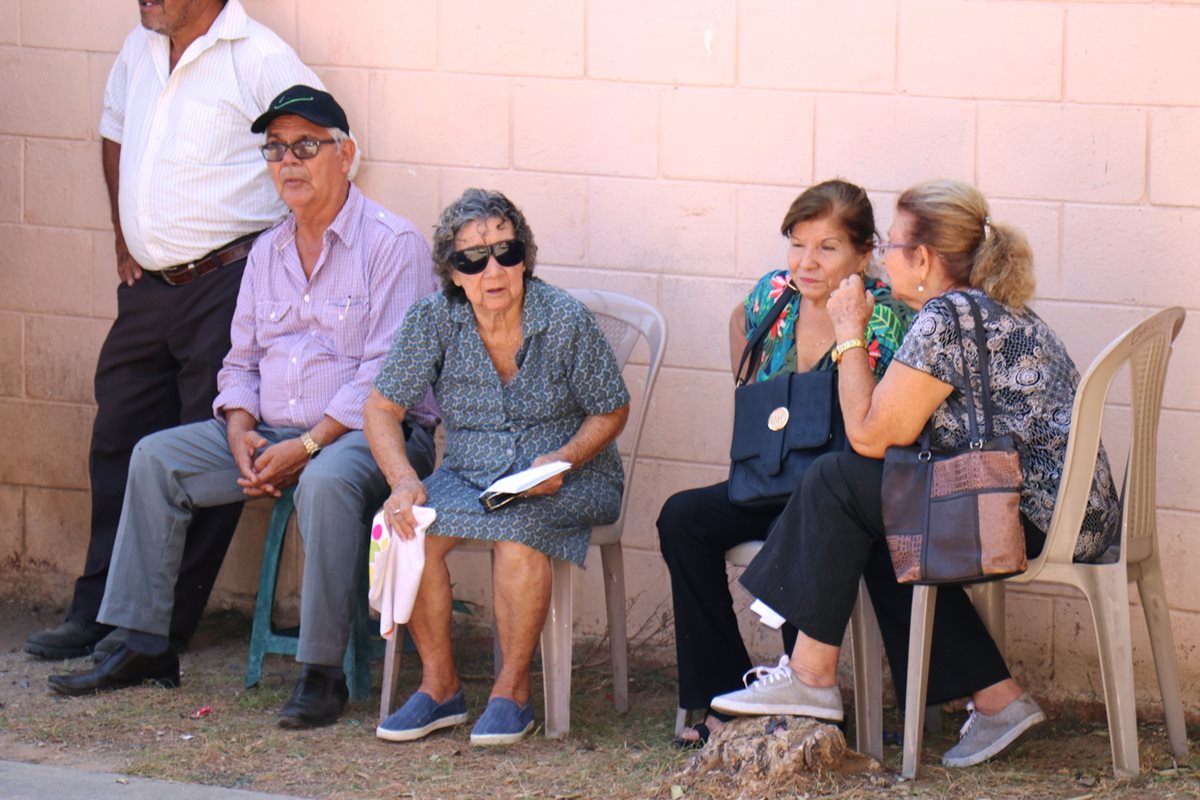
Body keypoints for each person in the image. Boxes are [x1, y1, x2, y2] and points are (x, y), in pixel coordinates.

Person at [47, 86, 440, 732]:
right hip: (275, 432)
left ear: (346, 155)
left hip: (376, 436)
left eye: (305, 146)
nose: (289, 161)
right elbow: (240, 362)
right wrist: (238, 429)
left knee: (325, 481)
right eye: (276, 149)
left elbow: (383, 376)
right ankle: (143, 642)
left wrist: (306, 445)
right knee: (156, 458)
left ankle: (322, 673)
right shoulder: (268, 250)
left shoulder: (392, 243)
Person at [711, 179, 1120, 768]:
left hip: (1024, 513)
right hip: (1065, 510)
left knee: (833, 479)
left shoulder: (946, 319)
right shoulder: (985, 303)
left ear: (924, 258)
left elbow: (870, 437)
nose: (882, 257)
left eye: (893, 246)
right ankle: (998, 699)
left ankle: (809, 675)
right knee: (881, 525)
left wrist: (850, 330)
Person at [26, 0, 326, 661]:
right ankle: (98, 610)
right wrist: (123, 238)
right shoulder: (139, 47)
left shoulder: (258, 57)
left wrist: (278, 263)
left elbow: (331, 155)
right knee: (117, 443)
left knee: (207, 449)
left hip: (228, 284)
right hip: (150, 289)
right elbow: (114, 133)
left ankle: (159, 626)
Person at [363, 188, 630, 746]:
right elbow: (382, 409)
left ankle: (513, 693)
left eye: (506, 252)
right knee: (407, 531)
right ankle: (440, 689)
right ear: (453, 273)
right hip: (469, 474)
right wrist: (404, 481)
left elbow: (611, 409)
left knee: (517, 530)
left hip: (573, 475)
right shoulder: (434, 319)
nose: (493, 269)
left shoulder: (564, 318)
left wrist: (562, 458)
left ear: (524, 258)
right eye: (472, 258)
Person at [656, 179, 914, 748]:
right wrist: (754, 391)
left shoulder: (883, 315)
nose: (807, 261)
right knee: (683, 517)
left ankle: (802, 696)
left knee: (795, 527)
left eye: (827, 247)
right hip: (768, 476)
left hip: (838, 494)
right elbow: (736, 325)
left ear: (863, 253)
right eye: (797, 244)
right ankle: (725, 691)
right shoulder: (775, 294)